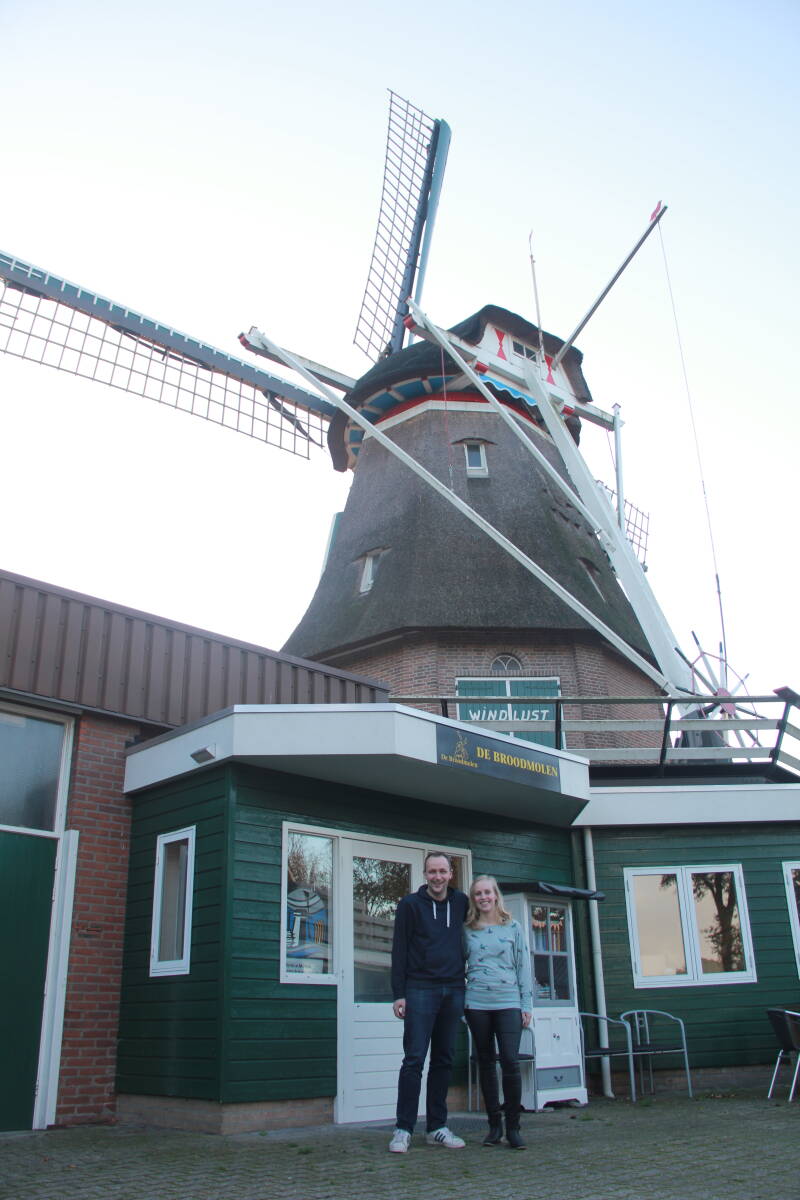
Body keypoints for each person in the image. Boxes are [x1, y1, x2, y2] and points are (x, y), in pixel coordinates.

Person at [388, 851, 469, 1153]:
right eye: (432, 871)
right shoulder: (409, 905)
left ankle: (437, 1126)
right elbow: (399, 950)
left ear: (451, 874)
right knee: (414, 1060)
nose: (437, 877)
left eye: (442, 871)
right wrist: (399, 993)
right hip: (420, 989)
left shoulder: (461, 903)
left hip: (454, 990)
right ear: (425, 874)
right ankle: (403, 1129)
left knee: (444, 1060)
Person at [463, 875, 532, 1149]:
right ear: (473, 899)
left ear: (495, 895)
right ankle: (494, 1126)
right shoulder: (467, 929)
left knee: (510, 1062)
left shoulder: (512, 927)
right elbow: (458, 967)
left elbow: (523, 966)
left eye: (487, 892)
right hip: (477, 1003)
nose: (483, 897)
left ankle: (514, 1127)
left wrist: (526, 1005)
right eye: (478, 893)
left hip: (508, 1002)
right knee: (486, 1063)